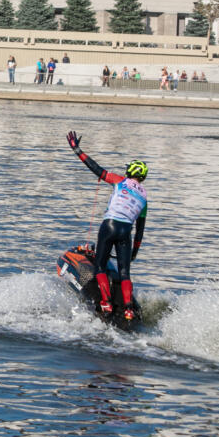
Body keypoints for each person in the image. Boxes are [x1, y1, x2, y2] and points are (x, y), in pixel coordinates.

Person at [66, 130, 148, 321]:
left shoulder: (120, 180)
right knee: (125, 272)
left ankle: (106, 302)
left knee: (100, 267)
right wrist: (134, 252)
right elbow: (140, 231)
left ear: (130, 172)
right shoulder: (144, 198)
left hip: (109, 225)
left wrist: (77, 150)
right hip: (126, 231)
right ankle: (128, 309)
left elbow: (96, 168)